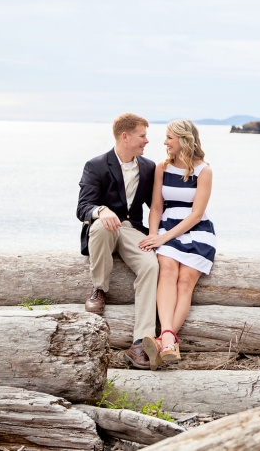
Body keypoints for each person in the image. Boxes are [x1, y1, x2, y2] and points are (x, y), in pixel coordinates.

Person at [76, 113, 159, 369]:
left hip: (132, 229)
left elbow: (156, 206)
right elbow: (83, 208)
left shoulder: (149, 168)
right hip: (104, 230)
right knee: (101, 225)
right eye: (142, 135)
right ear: (126, 136)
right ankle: (99, 289)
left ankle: (140, 343)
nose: (147, 141)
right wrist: (101, 210)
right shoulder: (96, 165)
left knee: (151, 265)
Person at [138, 119, 216, 370]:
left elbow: (196, 214)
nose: (164, 142)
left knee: (186, 281)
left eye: (169, 137)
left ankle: (166, 338)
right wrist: (154, 236)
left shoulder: (204, 171)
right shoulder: (162, 167)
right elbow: (156, 207)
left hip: (197, 232)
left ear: (184, 139)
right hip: (166, 227)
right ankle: (169, 341)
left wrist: (164, 237)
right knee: (168, 270)